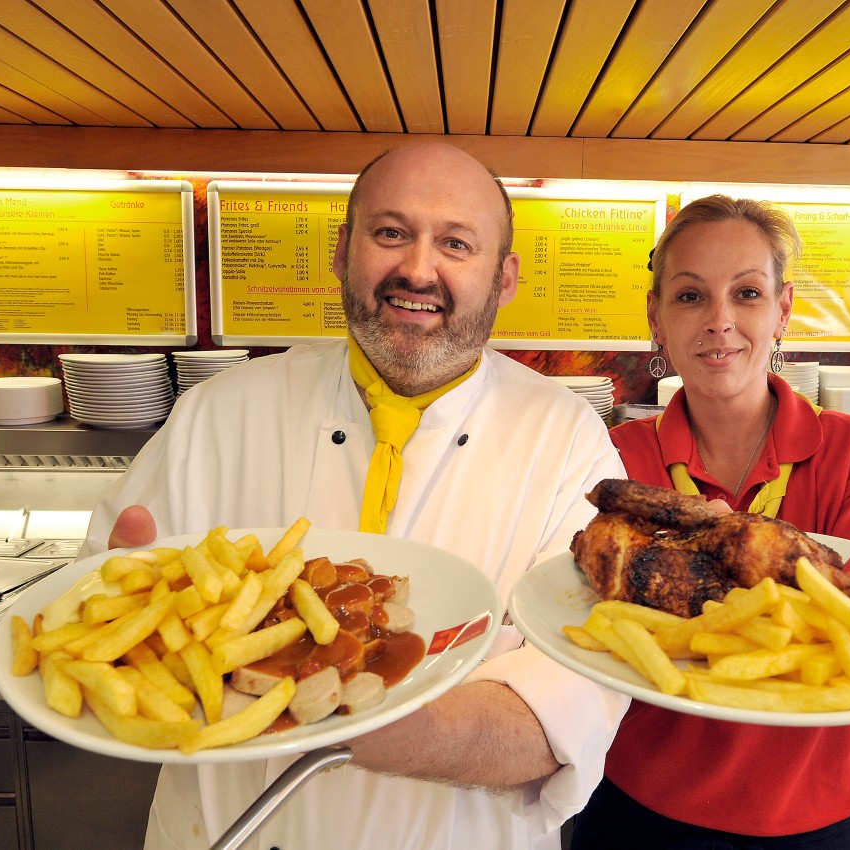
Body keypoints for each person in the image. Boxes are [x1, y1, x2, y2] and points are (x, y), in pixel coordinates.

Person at [81, 142, 630, 850]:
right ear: (342, 251)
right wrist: (128, 629)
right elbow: (105, 638)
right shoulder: (217, 415)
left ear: (505, 277)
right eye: (390, 232)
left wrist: (380, 720)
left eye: (456, 243)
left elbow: (566, 714)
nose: (417, 269)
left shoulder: (564, 440)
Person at [569, 194, 850, 850]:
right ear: (656, 319)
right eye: (691, 296)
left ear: (782, 311)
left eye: (747, 293)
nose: (720, 321)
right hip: (636, 807)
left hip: (816, 818)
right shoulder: (613, 462)